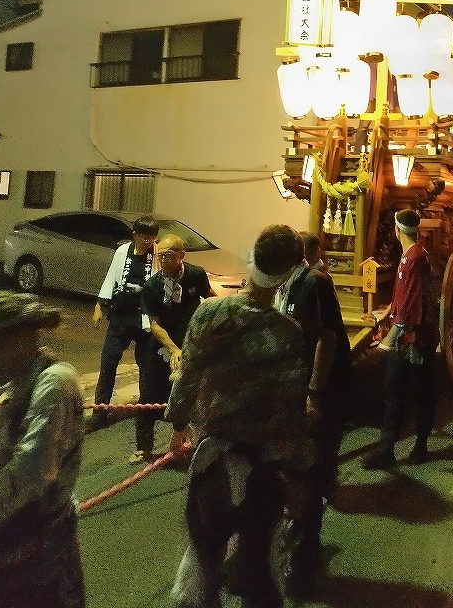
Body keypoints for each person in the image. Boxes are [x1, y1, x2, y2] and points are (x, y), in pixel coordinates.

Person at [166, 224, 308, 608]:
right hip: (262, 462)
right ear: (286, 276)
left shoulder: (209, 313)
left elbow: (187, 375)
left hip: (212, 453)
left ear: (251, 258)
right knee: (262, 569)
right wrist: (298, 471)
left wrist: (178, 423)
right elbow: (293, 411)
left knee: (203, 562)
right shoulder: (289, 332)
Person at [0, 292, 85, 608]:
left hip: (42, 551)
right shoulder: (17, 384)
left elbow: (30, 469)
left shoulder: (55, 382)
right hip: (10, 539)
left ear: (15, 340)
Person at [276, 230, 351, 596]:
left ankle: (305, 557)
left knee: (309, 472)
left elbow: (328, 337)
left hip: (318, 393)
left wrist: (314, 392)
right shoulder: (285, 285)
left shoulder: (313, 282)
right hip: (294, 391)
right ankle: (295, 543)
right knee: (294, 472)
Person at [360, 208, 439, 470]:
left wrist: (390, 337)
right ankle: (387, 449)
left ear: (396, 230)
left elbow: (412, 302)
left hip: (416, 338)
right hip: (408, 334)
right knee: (394, 390)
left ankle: (420, 445)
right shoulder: (411, 255)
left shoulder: (415, 257)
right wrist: (386, 313)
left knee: (419, 392)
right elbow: (403, 296)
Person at [136, 234, 212, 462]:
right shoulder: (152, 286)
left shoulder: (196, 274)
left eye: (168, 256)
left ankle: (180, 438)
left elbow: (209, 298)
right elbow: (154, 324)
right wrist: (173, 349)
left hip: (189, 341)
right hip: (162, 343)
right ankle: (143, 447)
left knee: (185, 391)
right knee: (149, 393)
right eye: (160, 256)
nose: (163, 261)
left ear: (181, 255)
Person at [89, 216, 159, 432]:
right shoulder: (122, 251)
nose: (149, 241)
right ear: (135, 235)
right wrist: (99, 306)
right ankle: (100, 412)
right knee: (108, 362)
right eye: (144, 237)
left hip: (145, 318)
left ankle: (146, 410)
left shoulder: (158, 253)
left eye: (152, 237)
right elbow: (111, 278)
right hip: (121, 315)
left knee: (146, 365)